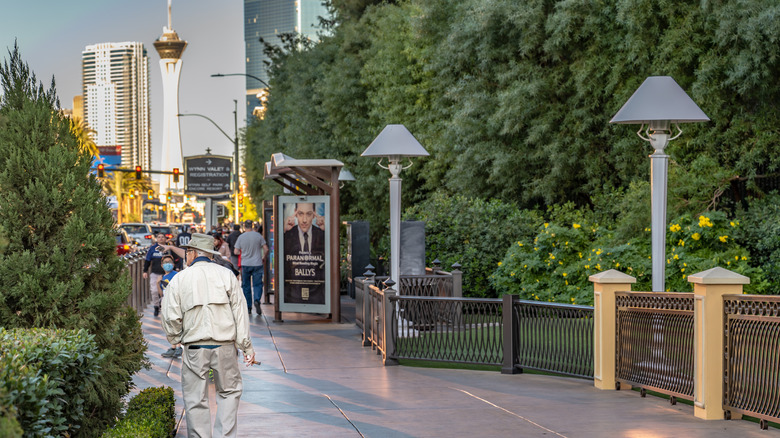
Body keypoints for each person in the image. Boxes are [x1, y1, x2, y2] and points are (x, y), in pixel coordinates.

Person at [161, 233, 255, 438]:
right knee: (229, 393)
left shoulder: (180, 278)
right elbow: (240, 312)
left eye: (187, 252)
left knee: (195, 399)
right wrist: (246, 347)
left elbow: (170, 315)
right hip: (225, 346)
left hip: (194, 347)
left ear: (193, 253)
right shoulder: (226, 275)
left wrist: (175, 338)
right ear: (210, 255)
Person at [283, 202, 326, 304]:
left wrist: (326, 231)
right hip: (293, 293)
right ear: (295, 214)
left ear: (314, 214)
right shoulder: (288, 234)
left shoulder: (322, 234)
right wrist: (283, 230)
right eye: (301, 214)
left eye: (309, 214)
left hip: (317, 293)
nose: (305, 220)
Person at [234, 220, 268, 315]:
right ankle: (257, 299)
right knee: (257, 284)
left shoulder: (241, 237)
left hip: (245, 264)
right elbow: (266, 249)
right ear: (252, 226)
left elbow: (236, 251)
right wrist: (263, 257)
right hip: (257, 263)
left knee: (246, 285)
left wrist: (243, 252)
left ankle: (248, 306)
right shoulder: (258, 236)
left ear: (244, 226)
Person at [159, 254, 182, 358]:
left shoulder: (176, 275)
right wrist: (157, 283)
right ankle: (173, 347)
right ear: (161, 265)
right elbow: (161, 293)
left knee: (176, 324)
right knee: (169, 325)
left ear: (173, 264)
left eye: (169, 262)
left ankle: (178, 347)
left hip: (175, 303)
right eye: (165, 262)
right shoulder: (162, 277)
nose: (167, 264)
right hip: (166, 302)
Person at [143, 232, 169, 316]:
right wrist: (145, 271)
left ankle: (163, 306)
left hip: (166, 274)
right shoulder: (153, 248)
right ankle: (156, 307)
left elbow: (175, 259)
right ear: (156, 239)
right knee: (154, 290)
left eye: (162, 237)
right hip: (155, 272)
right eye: (159, 237)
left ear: (165, 239)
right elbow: (147, 260)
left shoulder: (168, 248)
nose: (161, 238)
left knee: (165, 291)